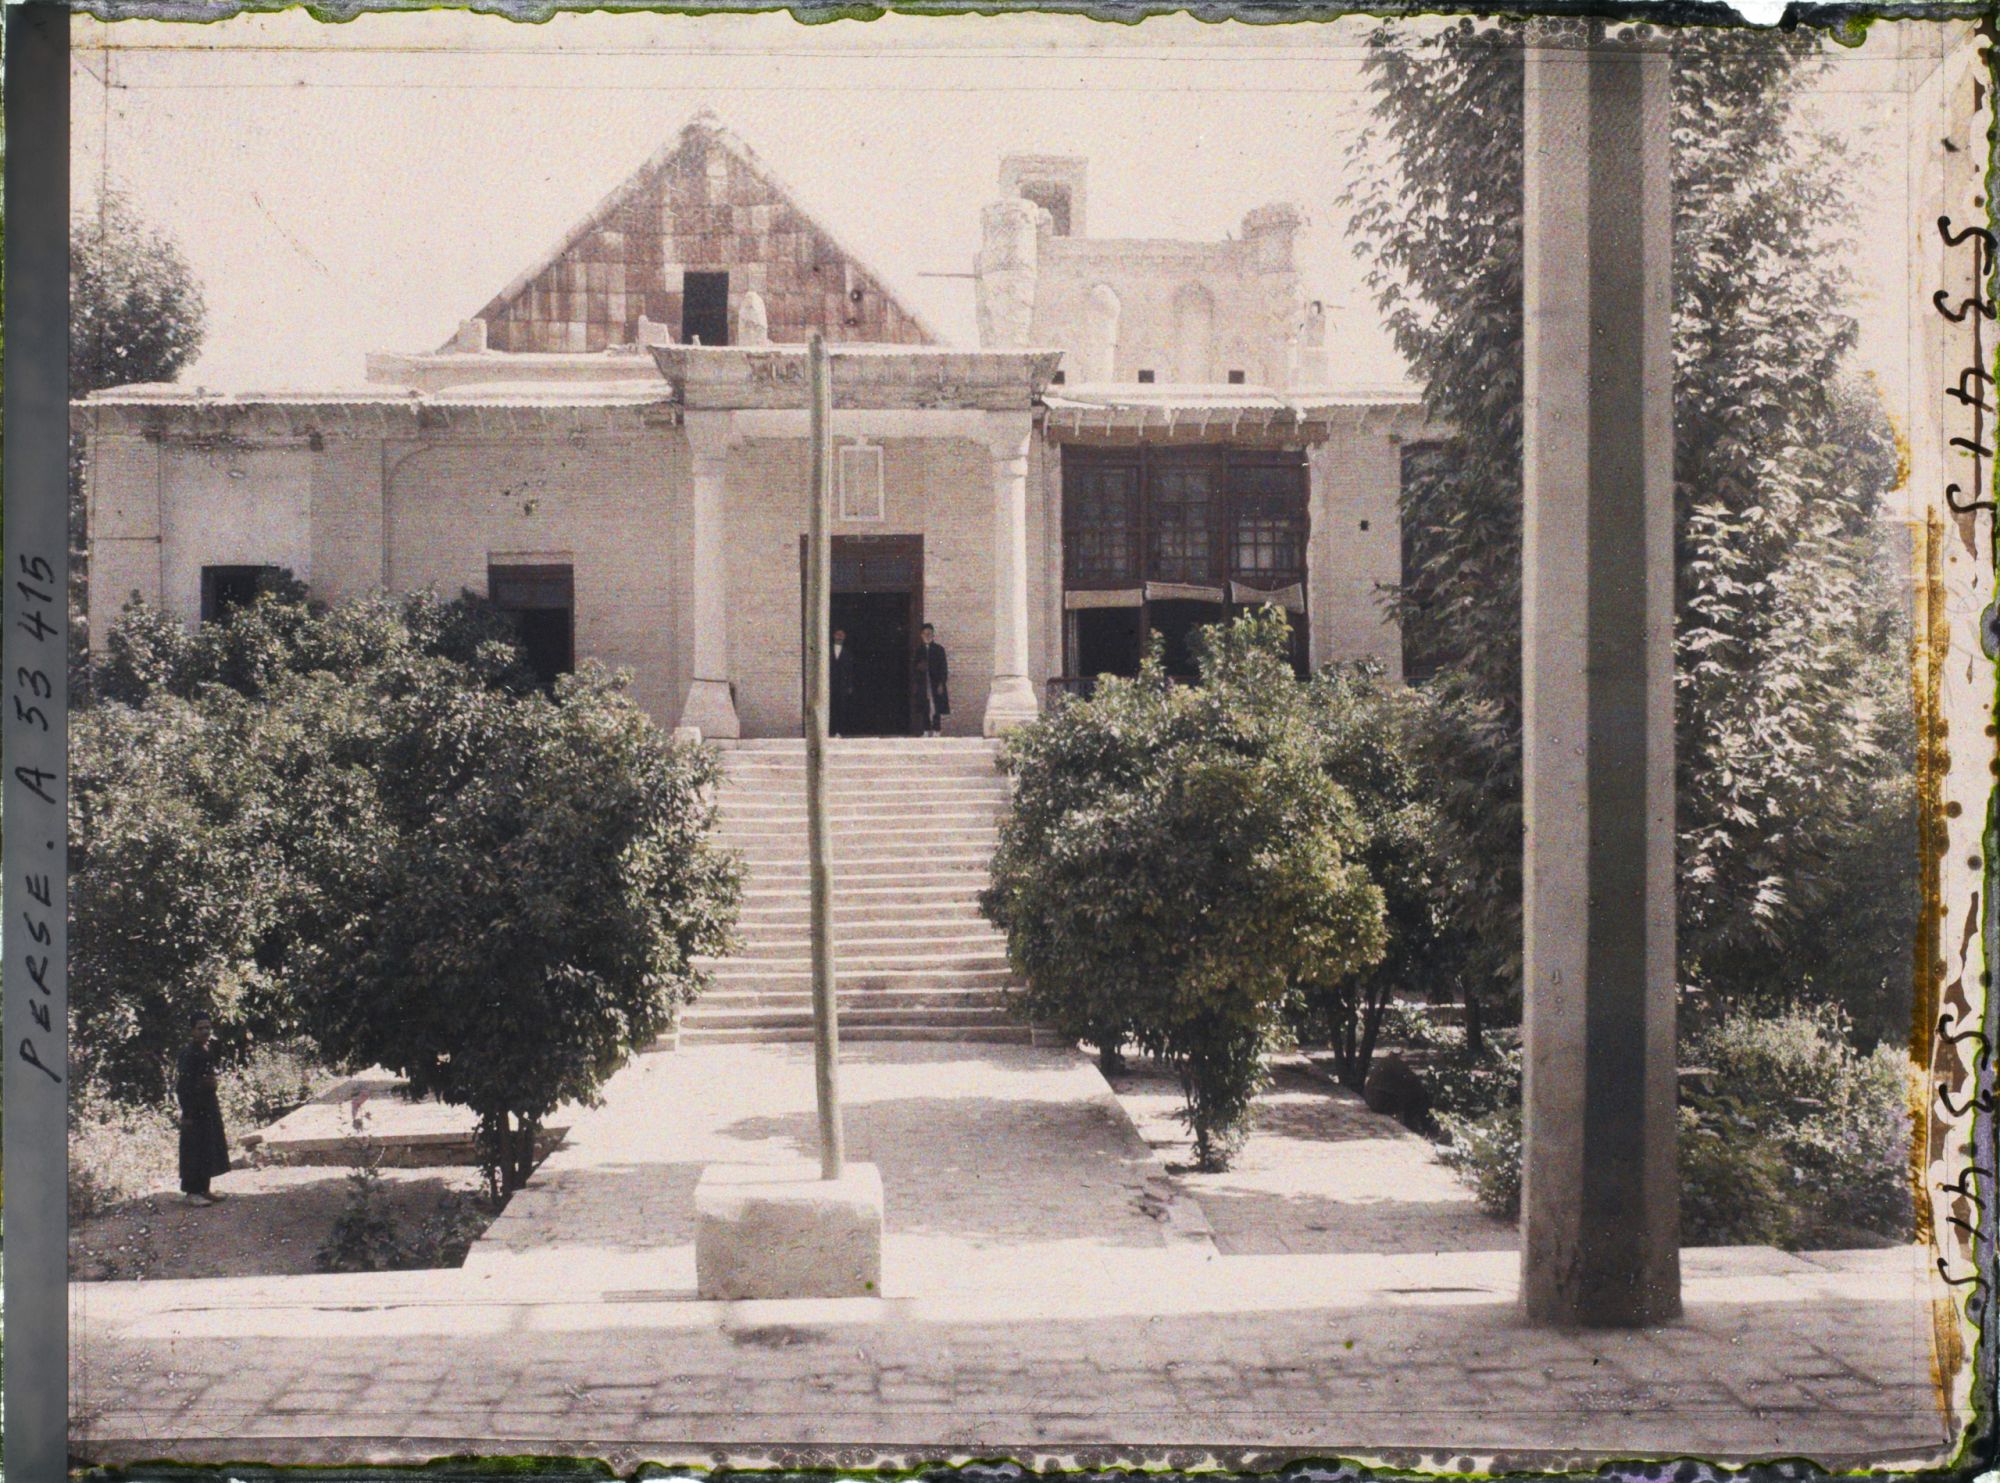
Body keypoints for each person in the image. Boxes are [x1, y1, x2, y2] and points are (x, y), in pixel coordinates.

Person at [176, 1012, 232, 1206]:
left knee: (207, 1146)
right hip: (194, 1107)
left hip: (207, 1105)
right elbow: (183, 1085)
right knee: (193, 1148)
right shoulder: (188, 1053)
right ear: (192, 1031)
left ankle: (204, 1189)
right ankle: (192, 1192)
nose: (205, 1031)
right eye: (200, 1028)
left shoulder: (207, 1049)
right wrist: (188, 1112)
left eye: (208, 1027)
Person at [915, 623, 950, 736]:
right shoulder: (918, 650)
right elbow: (914, 667)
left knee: (936, 707)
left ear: (933, 634)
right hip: (924, 684)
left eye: (929, 633)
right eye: (925, 633)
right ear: (921, 635)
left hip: (935, 683)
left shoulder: (939, 649)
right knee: (925, 707)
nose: (927, 635)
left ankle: (936, 730)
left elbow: (944, 668)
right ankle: (926, 730)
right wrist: (920, 667)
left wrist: (941, 683)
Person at [829, 626, 857, 737]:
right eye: (837, 634)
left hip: (842, 685)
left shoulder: (848, 653)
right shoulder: (827, 650)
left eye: (842, 635)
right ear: (833, 636)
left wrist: (849, 685)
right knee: (830, 706)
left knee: (841, 708)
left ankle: (840, 731)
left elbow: (850, 671)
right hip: (829, 684)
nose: (839, 637)